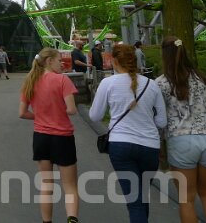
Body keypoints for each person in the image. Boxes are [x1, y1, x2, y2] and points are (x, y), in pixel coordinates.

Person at [89, 44, 167, 222]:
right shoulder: (152, 85)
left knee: (135, 201)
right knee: (141, 196)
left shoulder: (108, 83)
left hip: (121, 145)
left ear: (114, 61)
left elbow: (95, 115)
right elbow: (162, 121)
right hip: (150, 147)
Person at [156, 36, 206, 223]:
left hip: (181, 142)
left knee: (186, 199)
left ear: (164, 55)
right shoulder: (203, 80)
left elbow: (158, 119)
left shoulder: (161, 84)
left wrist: (159, 145)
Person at [19, 48, 80, 223]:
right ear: (49, 61)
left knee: (46, 186)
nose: (62, 64)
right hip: (62, 137)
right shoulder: (62, 80)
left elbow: (22, 113)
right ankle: (72, 220)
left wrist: (40, 116)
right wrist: (57, 112)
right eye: (59, 60)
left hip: (41, 137)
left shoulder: (30, 81)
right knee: (70, 186)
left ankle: (47, 221)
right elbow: (72, 110)